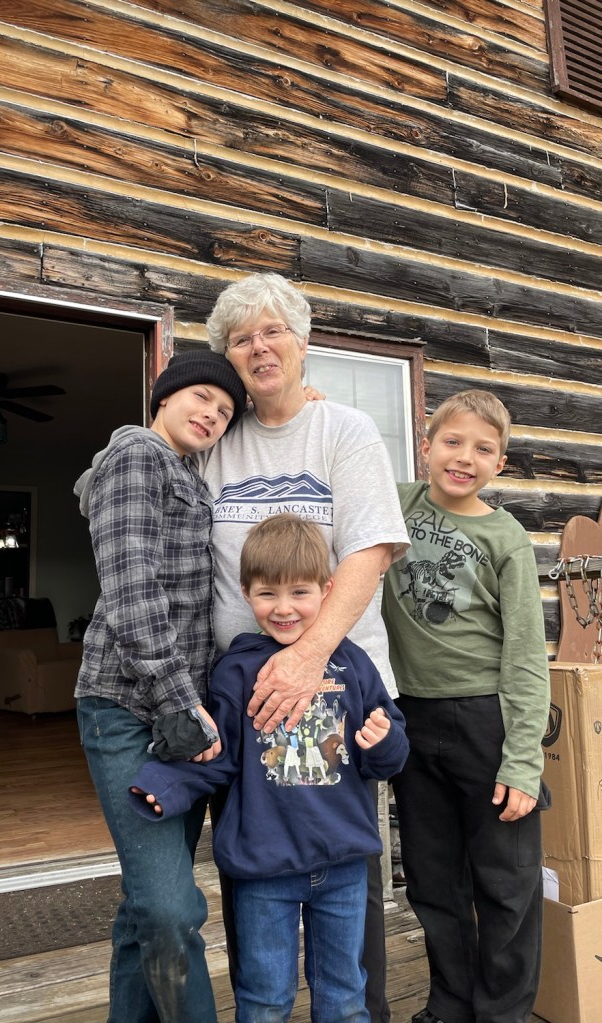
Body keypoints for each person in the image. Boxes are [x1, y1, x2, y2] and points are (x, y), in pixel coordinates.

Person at [197, 273, 410, 1022]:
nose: (259, 347)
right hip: (245, 699)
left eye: (273, 332)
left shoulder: (344, 430)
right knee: (256, 879)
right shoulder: (215, 441)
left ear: (302, 342)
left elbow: (371, 549)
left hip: (336, 689)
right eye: (241, 338)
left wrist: (307, 655)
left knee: (345, 883)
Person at [130, 513, 410, 1023]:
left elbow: (387, 757)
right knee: (264, 1000)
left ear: (327, 590)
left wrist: (384, 741)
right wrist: (164, 785)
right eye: (267, 594)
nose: (283, 608)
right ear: (245, 593)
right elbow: (218, 753)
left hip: (344, 863)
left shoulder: (354, 665)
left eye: (300, 592)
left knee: (346, 997)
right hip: (264, 869)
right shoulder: (237, 671)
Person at [73, 349, 248, 1023]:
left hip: (181, 711)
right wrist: (181, 705)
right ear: (164, 396)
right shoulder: (137, 455)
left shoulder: (188, 474)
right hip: (129, 706)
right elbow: (131, 591)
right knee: (172, 908)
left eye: (225, 411)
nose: (211, 415)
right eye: (201, 397)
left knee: (144, 904)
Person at [381, 389, 551, 1023]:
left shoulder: (506, 537)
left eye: (483, 449)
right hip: (412, 718)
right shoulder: (395, 504)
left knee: (505, 883)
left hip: (487, 721)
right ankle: (449, 1005)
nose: (464, 458)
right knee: (432, 880)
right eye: (452, 442)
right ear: (425, 447)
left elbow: (527, 654)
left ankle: (503, 1013)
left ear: (499, 464)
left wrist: (523, 761)